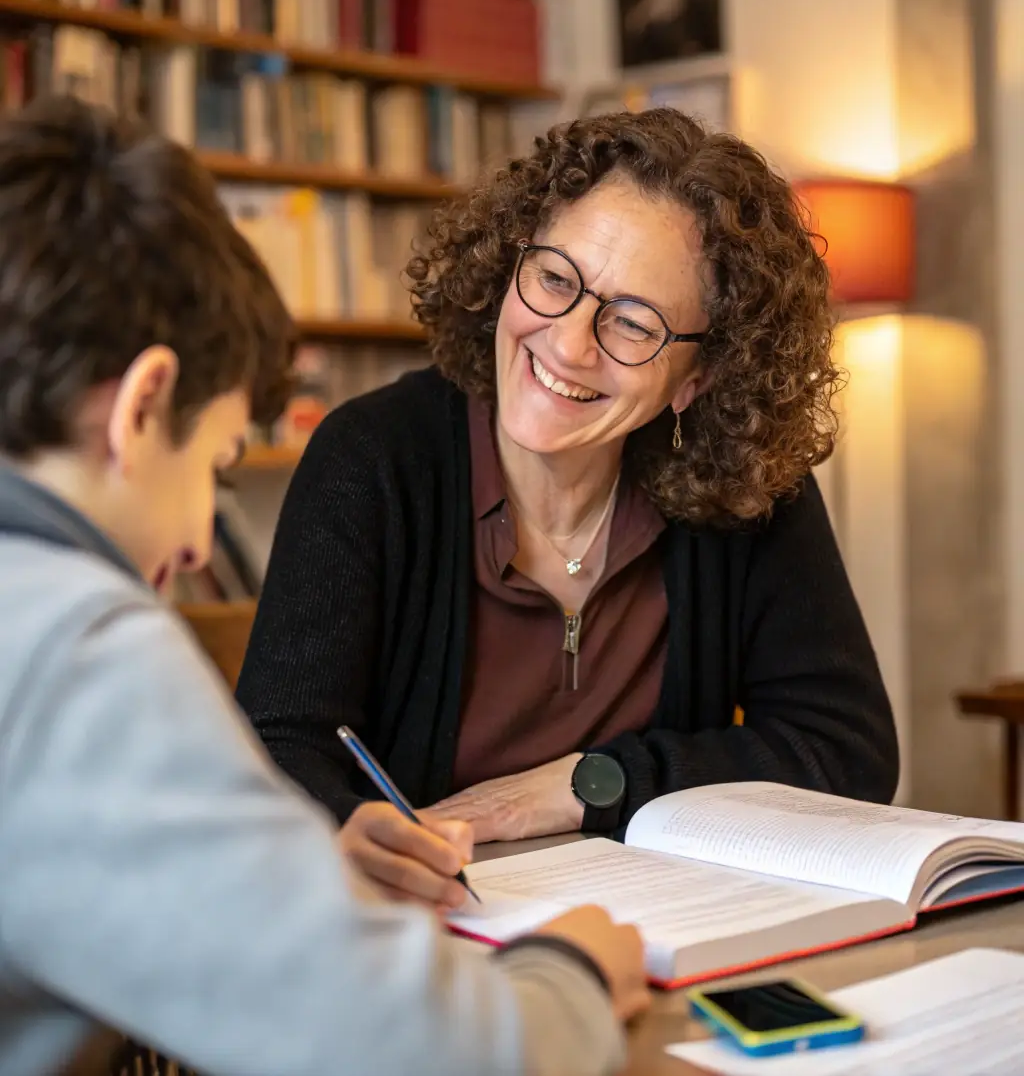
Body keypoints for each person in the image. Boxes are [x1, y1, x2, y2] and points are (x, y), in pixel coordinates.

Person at [0, 96, 647, 1076]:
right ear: (142, 409)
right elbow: (419, 1053)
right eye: (215, 468)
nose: (186, 548)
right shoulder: (78, 653)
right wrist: (573, 973)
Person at [237, 107, 899, 910]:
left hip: (666, 929)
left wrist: (592, 783)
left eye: (631, 321)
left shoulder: (750, 489)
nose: (569, 343)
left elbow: (848, 748)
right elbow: (279, 749)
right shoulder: (373, 458)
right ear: (509, 263)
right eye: (555, 278)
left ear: (697, 378)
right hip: (423, 935)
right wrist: (352, 835)